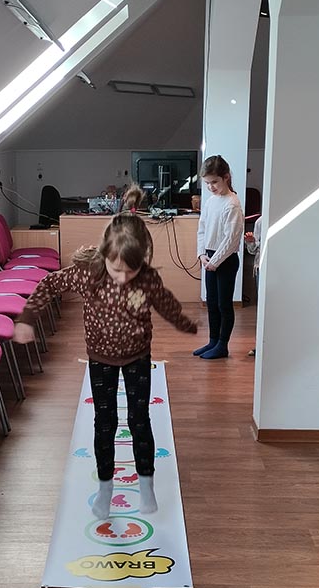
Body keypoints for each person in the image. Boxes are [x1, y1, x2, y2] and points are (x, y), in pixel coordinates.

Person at [13, 185, 198, 520]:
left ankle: (146, 484)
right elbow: (48, 285)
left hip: (138, 356)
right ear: (104, 256)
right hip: (100, 359)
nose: (124, 277)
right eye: (117, 269)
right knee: (105, 422)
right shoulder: (88, 274)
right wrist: (27, 319)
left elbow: (166, 303)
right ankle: (105, 488)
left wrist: (184, 323)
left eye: (132, 271)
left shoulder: (147, 279)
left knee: (139, 420)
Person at [194, 154, 245, 359]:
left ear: (226, 177)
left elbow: (231, 239)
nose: (211, 187)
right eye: (207, 183)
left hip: (225, 260)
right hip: (209, 258)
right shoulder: (211, 202)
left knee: (224, 304)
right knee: (212, 302)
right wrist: (201, 254)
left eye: (214, 182)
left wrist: (215, 262)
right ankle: (213, 341)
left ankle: (222, 345)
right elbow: (202, 229)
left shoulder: (232, 204)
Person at [244, 215, 262, 357]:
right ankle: (261, 345)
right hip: (260, 267)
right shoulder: (260, 222)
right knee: (262, 309)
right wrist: (250, 242)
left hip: (282, 268)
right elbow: (252, 250)